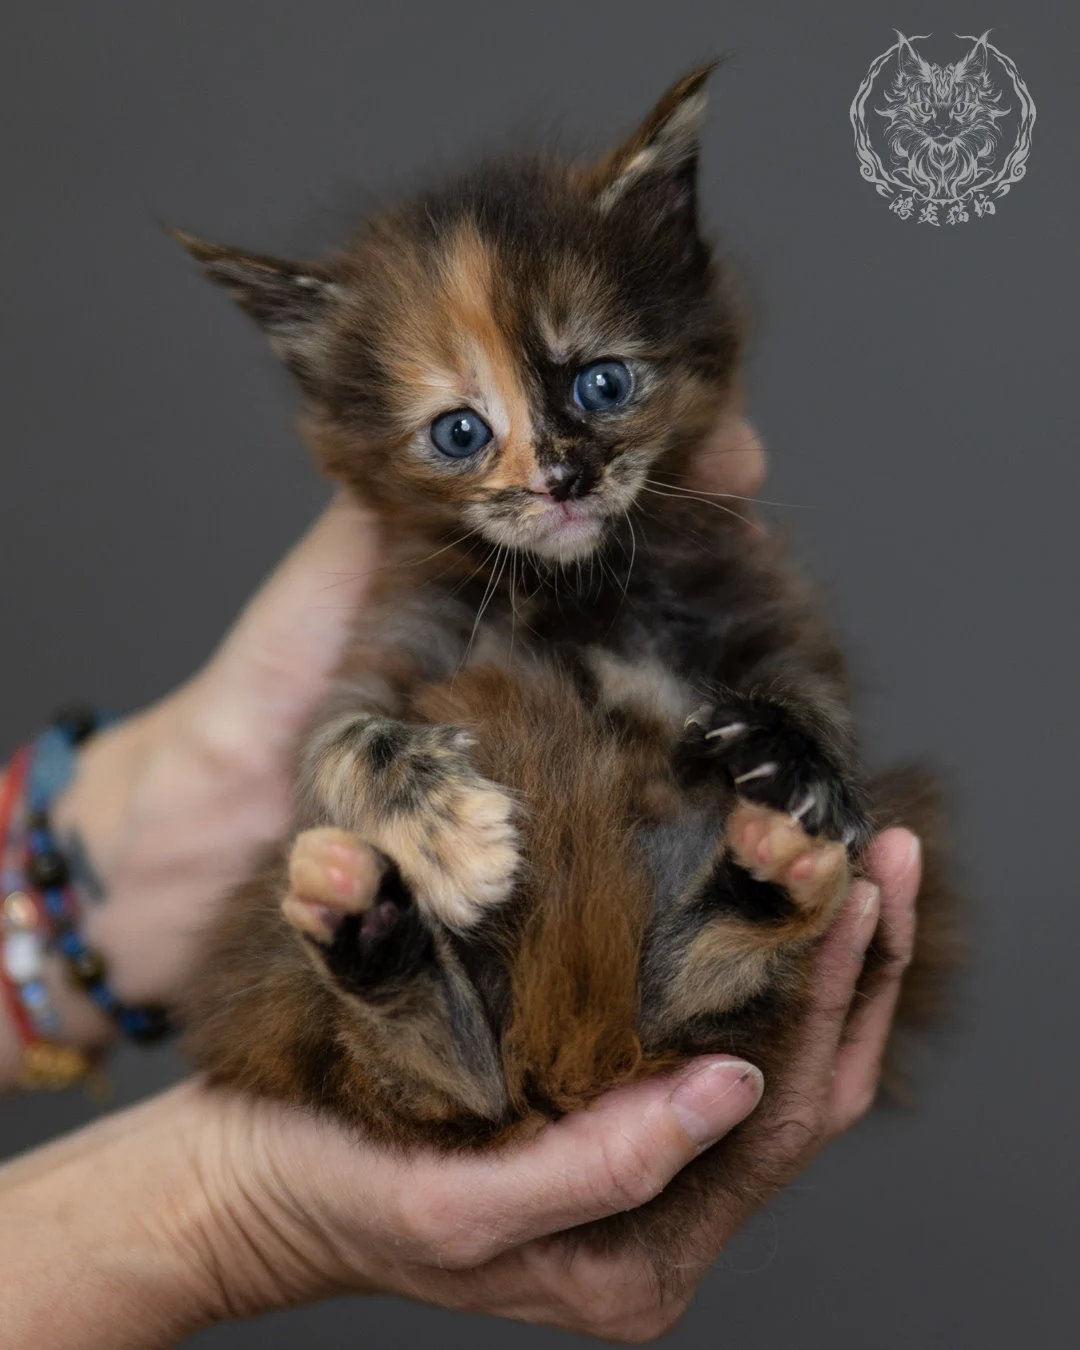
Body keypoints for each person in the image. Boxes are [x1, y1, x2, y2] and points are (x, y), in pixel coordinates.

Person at [0, 409, 921, 1347]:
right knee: (411, 990)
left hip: (615, 916)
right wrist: (236, 1211)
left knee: (756, 878)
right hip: (549, 943)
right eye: (460, 428)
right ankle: (669, 937)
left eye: (603, 387)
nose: (550, 463)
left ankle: (660, 939)